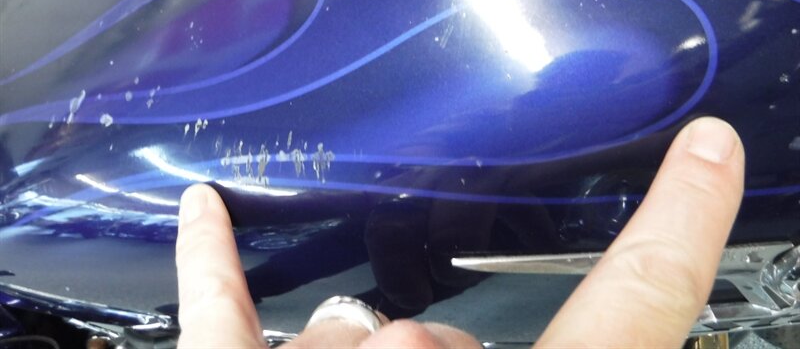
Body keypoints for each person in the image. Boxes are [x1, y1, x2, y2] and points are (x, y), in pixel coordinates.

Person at [175, 117, 744, 348]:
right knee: (361, 261)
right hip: (403, 234)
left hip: (403, 244)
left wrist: (356, 314)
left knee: (386, 270)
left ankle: (351, 302)